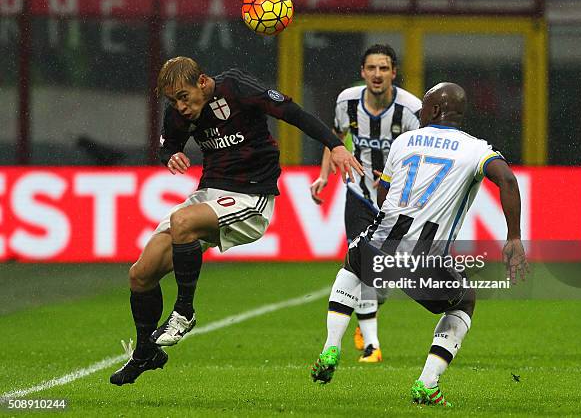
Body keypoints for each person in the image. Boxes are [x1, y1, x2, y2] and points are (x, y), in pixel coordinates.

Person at [110, 56, 363, 386]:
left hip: (251, 196)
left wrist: (335, 146)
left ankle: (184, 312)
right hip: (210, 194)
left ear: (202, 82)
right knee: (140, 274)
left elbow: (294, 114)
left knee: (181, 220)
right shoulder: (178, 112)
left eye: (183, 97)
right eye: (173, 101)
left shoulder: (237, 88)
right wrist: (170, 155)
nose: (180, 107)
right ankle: (146, 352)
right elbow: (167, 145)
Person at [310, 82, 529, 407]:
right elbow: (508, 180)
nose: (420, 112)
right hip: (423, 260)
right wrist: (513, 237)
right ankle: (428, 382)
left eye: (425, 107)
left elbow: (384, 196)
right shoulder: (475, 148)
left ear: (437, 111)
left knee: (353, 261)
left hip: (379, 244)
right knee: (463, 301)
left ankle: (331, 345)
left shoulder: (404, 141)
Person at [310, 44, 421, 363]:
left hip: (397, 200)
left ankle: (367, 314)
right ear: (362, 72)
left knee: (383, 276)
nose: (377, 74)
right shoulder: (347, 101)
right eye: (371, 68)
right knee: (362, 264)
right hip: (358, 192)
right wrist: (323, 176)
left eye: (383, 68)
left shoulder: (410, 110)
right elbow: (335, 139)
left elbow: (421, 157)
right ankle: (372, 345)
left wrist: (394, 180)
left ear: (393, 74)